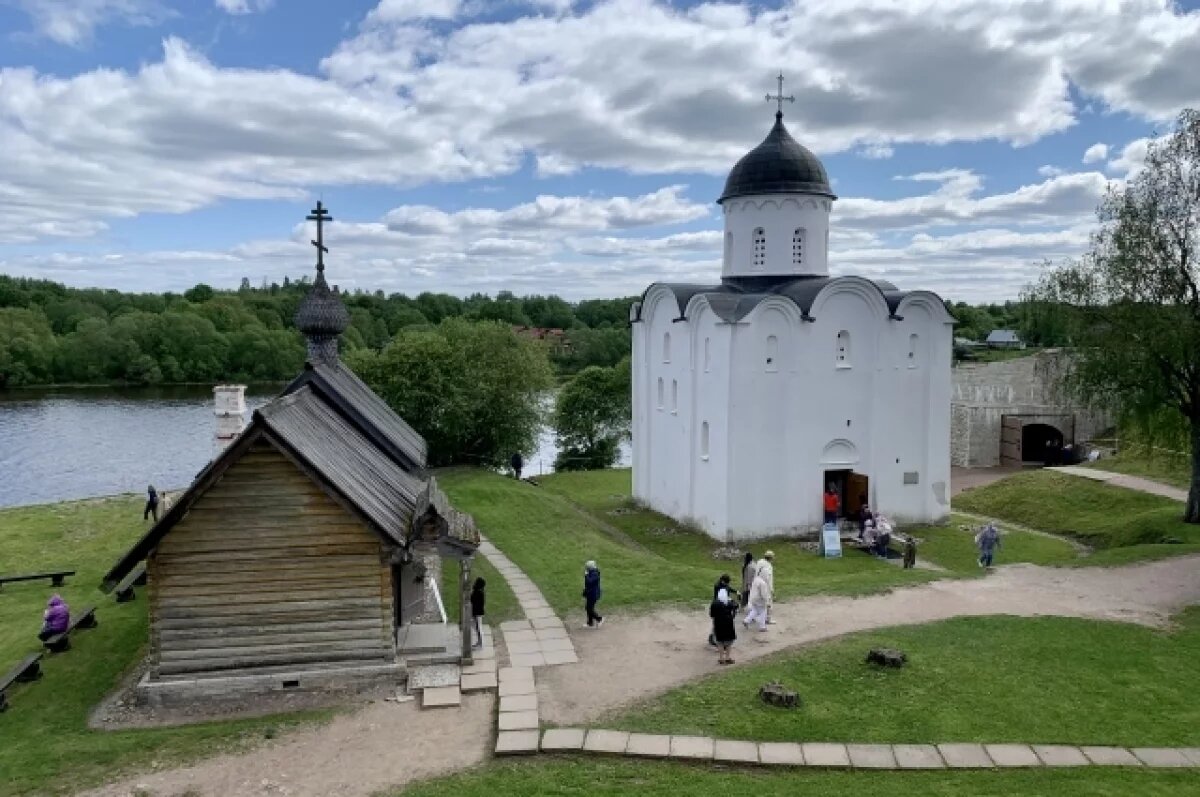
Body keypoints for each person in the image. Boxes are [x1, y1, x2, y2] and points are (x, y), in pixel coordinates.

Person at [709, 587, 738, 665]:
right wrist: (732, 616)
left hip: (718, 623)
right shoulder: (730, 603)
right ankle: (727, 658)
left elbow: (711, 615)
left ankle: (721, 658)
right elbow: (735, 608)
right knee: (729, 641)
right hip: (729, 623)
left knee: (720, 641)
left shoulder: (714, 603)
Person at [708, 574, 733, 646]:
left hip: (721, 607)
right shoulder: (718, 586)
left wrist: (736, 591)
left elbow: (729, 588)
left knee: (718, 624)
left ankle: (714, 638)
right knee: (716, 624)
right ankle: (713, 638)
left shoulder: (724, 585)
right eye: (726, 582)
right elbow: (725, 590)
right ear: (723, 581)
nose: (727, 584)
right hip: (717, 607)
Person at [755, 551, 776, 623]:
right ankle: (768, 619)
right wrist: (771, 589)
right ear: (770, 558)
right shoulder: (768, 566)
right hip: (765, 587)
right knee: (768, 603)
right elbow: (768, 579)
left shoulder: (759, 562)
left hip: (757, 585)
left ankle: (757, 617)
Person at [582, 560, 604, 628]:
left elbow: (589, 582)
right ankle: (590, 623)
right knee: (589, 608)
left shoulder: (595, 574)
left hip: (593, 594)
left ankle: (599, 619)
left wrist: (586, 575)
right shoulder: (592, 572)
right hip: (590, 593)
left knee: (589, 608)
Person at [470, 577, 486, 649]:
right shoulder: (478, 591)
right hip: (477, 612)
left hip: (478, 612)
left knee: (478, 627)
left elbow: (472, 599)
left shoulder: (479, 592)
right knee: (476, 626)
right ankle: (479, 642)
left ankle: (481, 643)